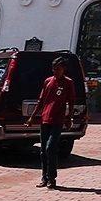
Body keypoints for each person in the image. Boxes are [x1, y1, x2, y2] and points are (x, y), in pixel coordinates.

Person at [24, 56, 76, 188]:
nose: (55, 71)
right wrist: (32, 117)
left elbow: (71, 101)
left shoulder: (68, 82)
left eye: (58, 69)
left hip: (57, 120)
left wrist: (69, 119)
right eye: (54, 69)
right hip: (45, 119)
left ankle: (52, 177)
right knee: (43, 150)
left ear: (63, 69)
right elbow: (41, 101)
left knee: (50, 147)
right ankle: (44, 177)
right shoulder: (48, 81)